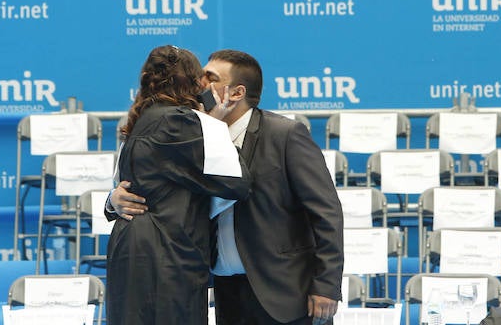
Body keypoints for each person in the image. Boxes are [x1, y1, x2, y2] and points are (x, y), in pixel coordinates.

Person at [111, 49, 344, 325]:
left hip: (285, 293)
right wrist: (113, 199)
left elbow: (326, 212)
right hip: (227, 293)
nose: (199, 84)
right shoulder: (190, 133)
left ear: (236, 93)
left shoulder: (285, 135)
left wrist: (326, 285)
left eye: (209, 78)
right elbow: (150, 177)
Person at [105, 44, 252, 325]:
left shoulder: (142, 119)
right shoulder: (180, 122)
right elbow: (237, 183)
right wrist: (213, 123)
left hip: (136, 249)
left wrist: (112, 201)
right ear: (192, 83)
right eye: (203, 79)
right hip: (165, 256)